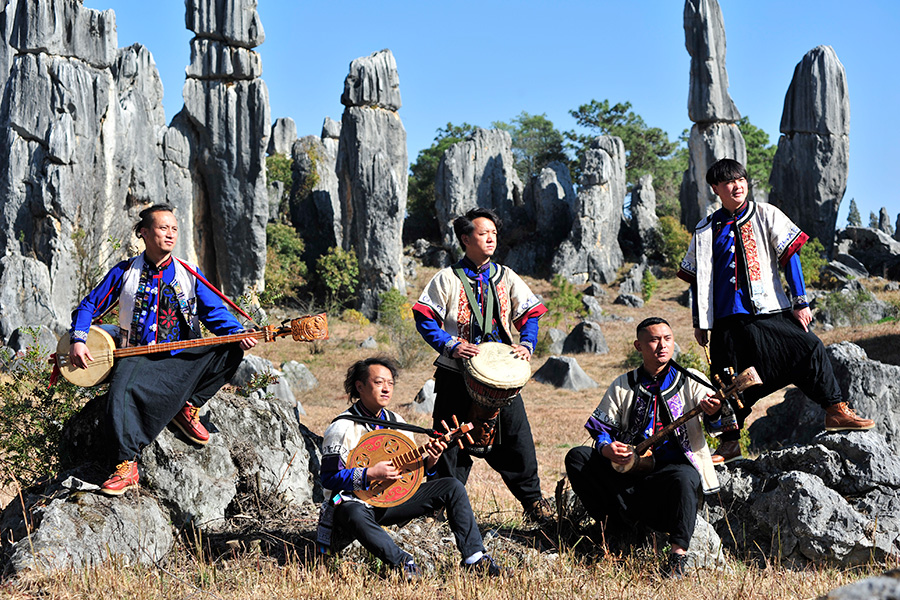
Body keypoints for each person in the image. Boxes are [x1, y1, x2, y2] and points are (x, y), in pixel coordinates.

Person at [677, 158, 874, 463]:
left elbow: (790, 258)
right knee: (727, 381)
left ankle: (835, 409)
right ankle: (730, 443)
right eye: (728, 182)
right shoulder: (704, 230)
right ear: (716, 188)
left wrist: (801, 301)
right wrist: (699, 322)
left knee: (809, 347)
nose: (737, 185)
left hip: (769, 310)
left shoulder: (766, 213)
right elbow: (697, 279)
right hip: (725, 321)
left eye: (741, 179)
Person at [69, 204, 257, 495]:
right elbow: (89, 305)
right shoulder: (124, 272)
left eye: (174, 229)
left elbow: (216, 313)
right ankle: (126, 465)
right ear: (144, 233)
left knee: (231, 351)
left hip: (180, 356)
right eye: (162, 228)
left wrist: (236, 333)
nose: (170, 234)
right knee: (119, 394)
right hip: (136, 355)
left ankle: (187, 406)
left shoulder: (189, 274)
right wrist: (78, 339)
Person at [411, 207, 553, 523]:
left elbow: (530, 314)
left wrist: (527, 343)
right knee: (449, 441)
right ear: (465, 238)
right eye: (483, 233)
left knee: (518, 439)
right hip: (454, 374)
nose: (490, 238)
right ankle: (435, 508)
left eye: (494, 233)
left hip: (501, 378)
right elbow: (424, 316)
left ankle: (534, 505)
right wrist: (451, 344)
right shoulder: (446, 278)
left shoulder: (506, 276)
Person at [316, 356, 504, 578]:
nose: (386, 389)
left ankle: (474, 558)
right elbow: (328, 478)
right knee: (353, 510)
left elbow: (412, 475)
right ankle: (404, 563)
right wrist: (369, 474)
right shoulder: (342, 427)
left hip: (390, 501)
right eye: (379, 383)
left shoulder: (398, 422)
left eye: (390, 383)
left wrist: (430, 462)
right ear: (360, 386)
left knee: (452, 486)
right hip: (352, 505)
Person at [565, 317, 724, 578]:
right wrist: (607, 450)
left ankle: (676, 558)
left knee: (686, 477)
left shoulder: (691, 379)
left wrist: (714, 410)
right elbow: (602, 430)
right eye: (654, 340)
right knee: (578, 457)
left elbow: (717, 422)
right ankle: (613, 528)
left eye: (668, 339)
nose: (662, 346)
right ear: (639, 346)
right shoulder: (623, 384)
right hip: (628, 474)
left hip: (668, 478)